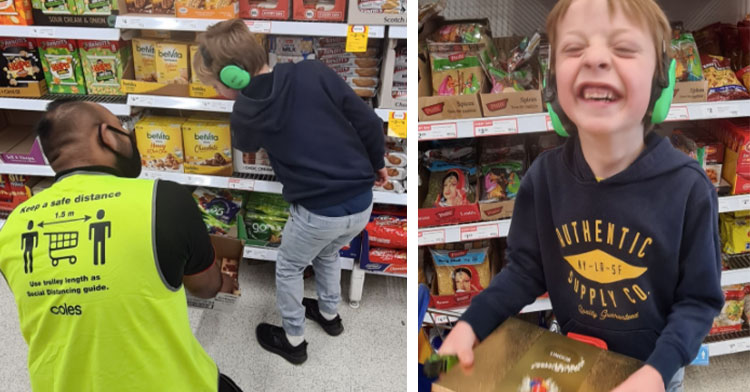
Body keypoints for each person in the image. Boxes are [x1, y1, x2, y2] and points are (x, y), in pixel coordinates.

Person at [437, 1, 724, 391]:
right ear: (552, 82)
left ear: (662, 79)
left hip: (653, 370)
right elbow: (524, 271)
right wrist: (469, 327)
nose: (596, 58)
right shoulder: (544, 177)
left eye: (623, 47)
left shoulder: (689, 189)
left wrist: (657, 374)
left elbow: (698, 301)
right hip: (573, 360)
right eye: (574, 48)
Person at [0, 100, 242, 392]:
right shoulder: (163, 200)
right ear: (107, 135)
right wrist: (223, 279)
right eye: (123, 127)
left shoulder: (13, 225)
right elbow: (205, 287)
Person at [193, 19, 387, 365]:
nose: (216, 92)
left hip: (317, 212)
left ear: (232, 78)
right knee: (328, 254)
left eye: (215, 85)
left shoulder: (245, 110)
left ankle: (293, 339)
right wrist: (377, 164)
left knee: (289, 266)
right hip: (361, 204)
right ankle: (330, 316)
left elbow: (247, 146)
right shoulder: (313, 71)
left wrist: (245, 105)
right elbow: (370, 122)